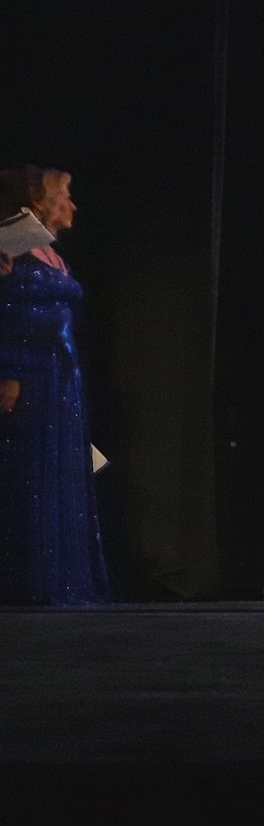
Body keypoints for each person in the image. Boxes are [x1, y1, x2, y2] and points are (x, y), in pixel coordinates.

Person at [0, 165, 110, 604]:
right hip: (27, 373)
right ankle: (27, 584)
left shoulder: (47, 250)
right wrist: (8, 372)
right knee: (29, 476)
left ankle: (63, 580)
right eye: (64, 196)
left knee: (61, 473)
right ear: (38, 202)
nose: (73, 205)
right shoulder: (12, 241)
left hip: (61, 375)